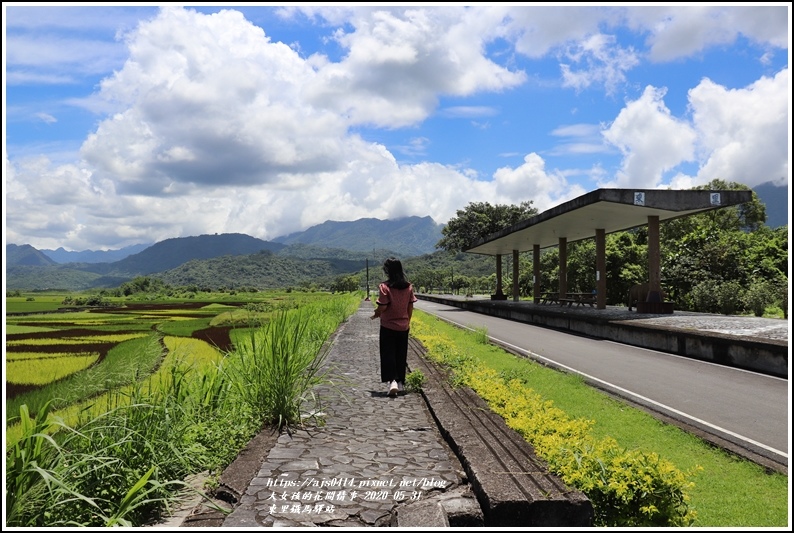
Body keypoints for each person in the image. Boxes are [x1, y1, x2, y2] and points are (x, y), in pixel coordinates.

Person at [371, 257, 417, 397]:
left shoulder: (384, 287)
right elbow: (410, 307)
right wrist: (407, 321)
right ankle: (400, 381)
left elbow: (383, 306)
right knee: (400, 354)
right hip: (403, 326)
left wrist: (376, 314)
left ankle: (392, 382)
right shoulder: (408, 287)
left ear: (387, 271)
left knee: (388, 353)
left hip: (388, 326)